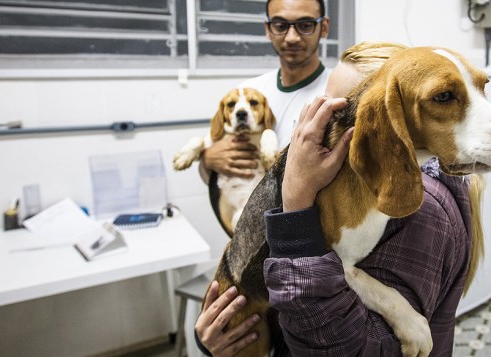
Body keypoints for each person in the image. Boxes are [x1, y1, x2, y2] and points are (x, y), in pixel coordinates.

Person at [195, 40, 472, 356]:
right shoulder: (353, 184)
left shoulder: (419, 211)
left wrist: (295, 199)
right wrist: (211, 341)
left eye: (339, 114)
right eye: (322, 105)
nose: (318, 126)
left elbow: (346, 347)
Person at [199, 0, 330, 181]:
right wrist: (207, 160)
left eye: (305, 25)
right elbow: (213, 180)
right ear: (268, 29)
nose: (291, 37)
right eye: (280, 25)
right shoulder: (246, 93)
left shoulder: (336, 93)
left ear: (323, 27)